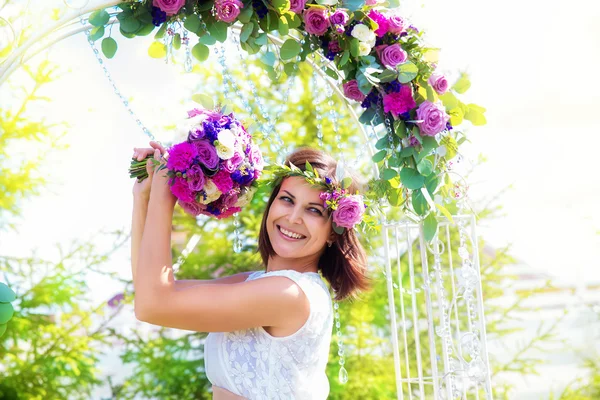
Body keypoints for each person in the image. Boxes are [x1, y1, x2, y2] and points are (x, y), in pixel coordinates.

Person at [131, 142, 370, 399]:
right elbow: (149, 291)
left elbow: (152, 304)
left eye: (314, 210)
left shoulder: (290, 294)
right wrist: (143, 199)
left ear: (334, 233)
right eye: (287, 200)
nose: (293, 218)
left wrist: (165, 195)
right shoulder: (261, 282)